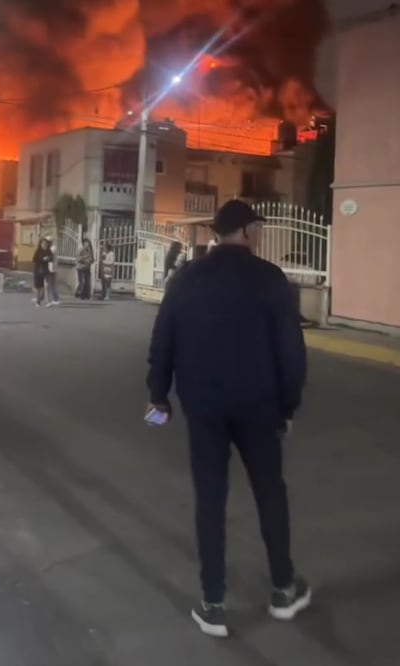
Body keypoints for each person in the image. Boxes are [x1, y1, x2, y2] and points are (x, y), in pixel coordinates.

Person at [145, 199, 310, 638]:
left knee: (211, 501)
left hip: (204, 407)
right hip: (259, 407)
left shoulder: (187, 278)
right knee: (270, 494)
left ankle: (213, 604)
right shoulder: (269, 279)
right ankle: (282, 590)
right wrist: (288, 406)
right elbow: (291, 351)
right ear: (249, 231)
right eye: (257, 227)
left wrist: (158, 396)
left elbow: (164, 338)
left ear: (217, 233)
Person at [30, 238, 54, 306]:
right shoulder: (38, 251)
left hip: (46, 271)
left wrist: (48, 258)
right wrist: (42, 259)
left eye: (45, 243)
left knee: (46, 286)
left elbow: (51, 258)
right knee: (39, 287)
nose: (44, 245)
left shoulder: (48, 251)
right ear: (40, 244)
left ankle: (48, 301)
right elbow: (34, 260)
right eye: (43, 243)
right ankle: (38, 301)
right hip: (38, 271)